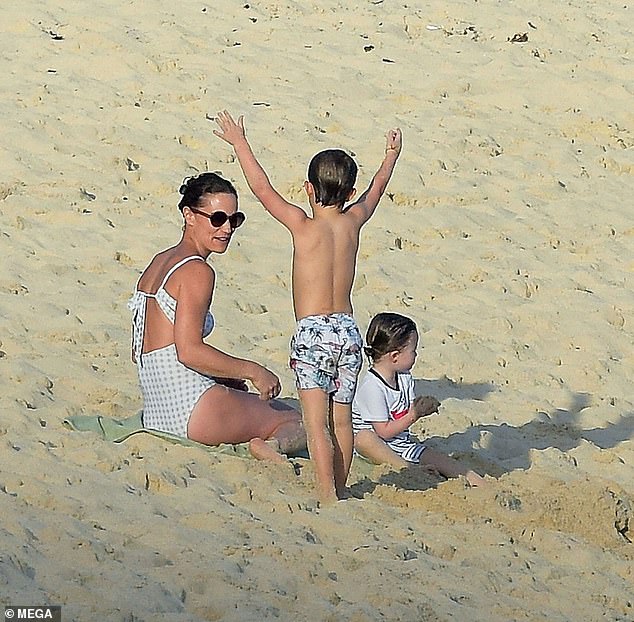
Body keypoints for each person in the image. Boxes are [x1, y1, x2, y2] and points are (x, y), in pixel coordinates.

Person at [214, 111, 402, 503]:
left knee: (316, 423)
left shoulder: (302, 224)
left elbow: (263, 190)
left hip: (313, 331)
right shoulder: (353, 222)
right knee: (342, 420)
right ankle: (343, 485)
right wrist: (390, 157)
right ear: (349, 194)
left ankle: (326, 492)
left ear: (308, 189)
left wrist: (240, 142)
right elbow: (376, 190)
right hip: (348, 331)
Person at [127, 172, 306, 462]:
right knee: (298, 420)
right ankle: (269, 448)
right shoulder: (198, 271)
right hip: (191, 408)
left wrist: (221, 375)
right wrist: (253, 371)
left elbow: (145, 350)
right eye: (217, 218)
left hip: (156, 410)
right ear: (189, 215)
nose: (226, 229)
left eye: (234, 220)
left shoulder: (159, 262)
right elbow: (188, 351)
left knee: (247, 399)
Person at [352, 312, 486, 487]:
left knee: (442, 461)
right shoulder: (372, 387)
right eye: (413, 351)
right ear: (394, 356)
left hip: (401, 443)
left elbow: (403, 412)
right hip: (375, 443)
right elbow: (383, 431)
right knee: (364, 438)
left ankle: (483, 484)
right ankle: (405, 467)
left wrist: (423, 406)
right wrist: (414, 414)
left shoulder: (404, 377)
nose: (416, 355)